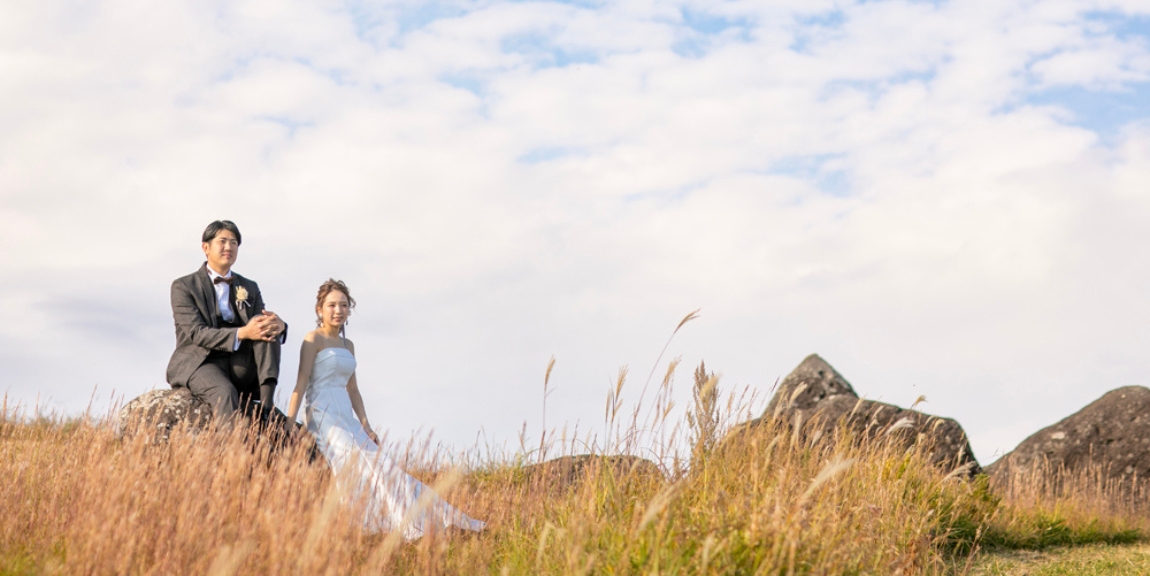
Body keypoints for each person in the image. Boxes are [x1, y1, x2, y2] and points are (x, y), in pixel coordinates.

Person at [286, 279, 485, 538]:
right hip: (322, 413)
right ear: (319, 309)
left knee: (383, 465)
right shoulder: (313, 339)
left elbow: (353, 389)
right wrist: (290, 422)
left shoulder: (348, 345)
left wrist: (366, 426)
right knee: (353, 460)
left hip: (345, 413)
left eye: (344, 305)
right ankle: (366, 523)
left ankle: (424, 520)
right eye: (332, 305)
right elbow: (301, 382)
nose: (338, 311)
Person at [166, 220, 287, 418]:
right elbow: (197, 333)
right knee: (224, 393)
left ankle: (267, 405)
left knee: (265, 327)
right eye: (222, 241)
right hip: (201, 361)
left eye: (234, 242)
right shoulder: (184, 286)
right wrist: (243, 332)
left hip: (239, 363)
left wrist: (280, 326)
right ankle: (230, 439)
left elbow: (260, 323)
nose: (229, 247)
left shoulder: (249, 286)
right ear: (206, 247)